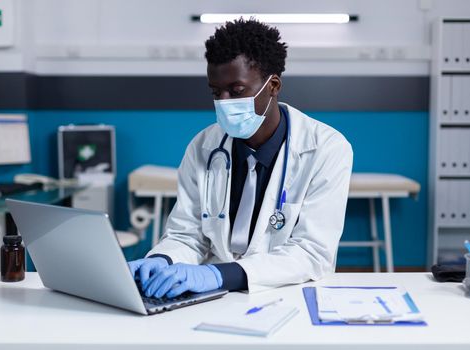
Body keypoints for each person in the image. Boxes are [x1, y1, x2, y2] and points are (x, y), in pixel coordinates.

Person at [128, 18, 353, 298]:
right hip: (210, 297)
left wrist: (218, 274)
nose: (223, 102)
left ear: (273, 85)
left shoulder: (326, 148)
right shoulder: (203, 147)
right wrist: (160, 261)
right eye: (215, 92)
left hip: (287, 294)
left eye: (236, 91)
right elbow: (186, 235)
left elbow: (311, 252)